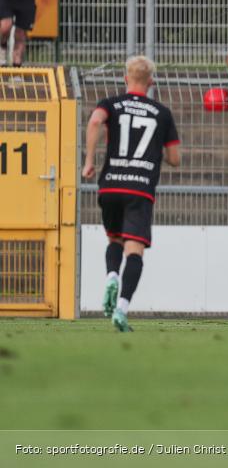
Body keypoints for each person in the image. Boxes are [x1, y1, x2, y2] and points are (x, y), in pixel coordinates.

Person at [82, 56, 181, 332]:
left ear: (126, 78)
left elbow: (95, 122)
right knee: (134, 249)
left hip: (111, 185)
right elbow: (175, 159)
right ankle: (122, 309)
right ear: (151, 82)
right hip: (139, 188)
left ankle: (111, 276)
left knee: (114, 239)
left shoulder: (111, 104)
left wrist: (89, 161)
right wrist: (156, 149)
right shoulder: (161, 113)